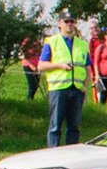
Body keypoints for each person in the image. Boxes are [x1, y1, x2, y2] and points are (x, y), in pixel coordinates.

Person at [36, 10, 91, 147]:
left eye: (72, 21)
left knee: (74, 127)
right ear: (60, 23)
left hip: (77, 90)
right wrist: (60, 66)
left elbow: (88, 68)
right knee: (55, 126)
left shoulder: (82, 44)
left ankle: (70, 156)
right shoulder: (52, 42)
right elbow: (41, 65)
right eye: (66, 21)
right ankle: (53, 154)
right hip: (59, 89)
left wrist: (84, 87)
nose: (69, 24)